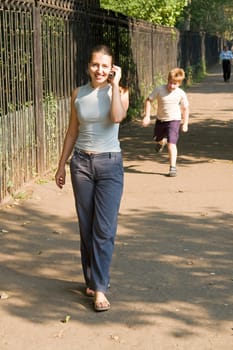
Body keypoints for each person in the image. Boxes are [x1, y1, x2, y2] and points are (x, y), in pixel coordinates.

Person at [55, 45, 129, 312]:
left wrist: (115, 85)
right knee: (86, 227)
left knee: (104, 230)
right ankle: (92, 279)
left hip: (110, 165)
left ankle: (100, 288)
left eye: (105, 66)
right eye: (95, 65)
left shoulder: (119, 92)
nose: (100, 70)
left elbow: (118, 117)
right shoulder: (78, 93)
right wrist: (61, 165)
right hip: (81, 165)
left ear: (112, 68)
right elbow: (72, 132)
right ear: (89, 66)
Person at [142, 68, 189, 177]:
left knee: (171, 143)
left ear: (179, 83)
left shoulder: (181, 93)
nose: (172, 86)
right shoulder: (159, 89)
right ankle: (160, 142)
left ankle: (172, 167)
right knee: (157, 138)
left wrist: (185, 123)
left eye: (175, 84)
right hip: (160, 120)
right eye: (170, 83)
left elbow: (185, 108)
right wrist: (147, 116)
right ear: (167, 80)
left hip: (174, 120)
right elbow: (148, 100)